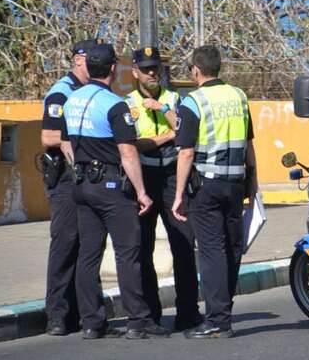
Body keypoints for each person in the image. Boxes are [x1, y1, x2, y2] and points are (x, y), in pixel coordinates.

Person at [61, 43, 170, 340]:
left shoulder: (71, 100)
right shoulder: (114, 104)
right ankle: (139, 320)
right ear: (112, 69)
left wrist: (80, 168)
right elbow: (128, 153)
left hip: (82, 183)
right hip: (111, 186)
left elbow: (65, 143)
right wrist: (142, 192)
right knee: (128, 253)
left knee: (88, 255)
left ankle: (92, 322)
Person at [171, 45, 258, 339]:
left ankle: (217, 320)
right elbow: (249, 144)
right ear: (219, 67)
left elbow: (186, 153)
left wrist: (179, 194)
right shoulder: (239, 96)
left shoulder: (193, 101)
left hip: (206, 186)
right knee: (232, 248)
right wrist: (254, 184)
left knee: (211, 252)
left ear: (196, 69)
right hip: (236, 184)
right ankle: (224, 311)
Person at [126, 46, 202, 332]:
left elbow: (185, 132)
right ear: (135, 72)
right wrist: (168, 136)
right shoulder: (128, 103)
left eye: (155, 68)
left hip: (173, 177)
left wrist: (164, 111)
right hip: (143, 178)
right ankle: (151, 314)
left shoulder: (174, 98)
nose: (152, 73)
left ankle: (188, 312)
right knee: (142, 248)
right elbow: (133, 144)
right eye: (146, 69)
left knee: (183, 245)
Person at [40, 38, 99, 335]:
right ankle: (57, 314)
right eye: (92, 58)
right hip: (65, 180)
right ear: (78, 60)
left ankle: (80, 311)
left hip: (87, 178)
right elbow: (48, 136)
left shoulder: (93, 91)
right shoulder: (62, 92)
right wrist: (76, 140)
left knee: (86, 245)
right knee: (64, 245)